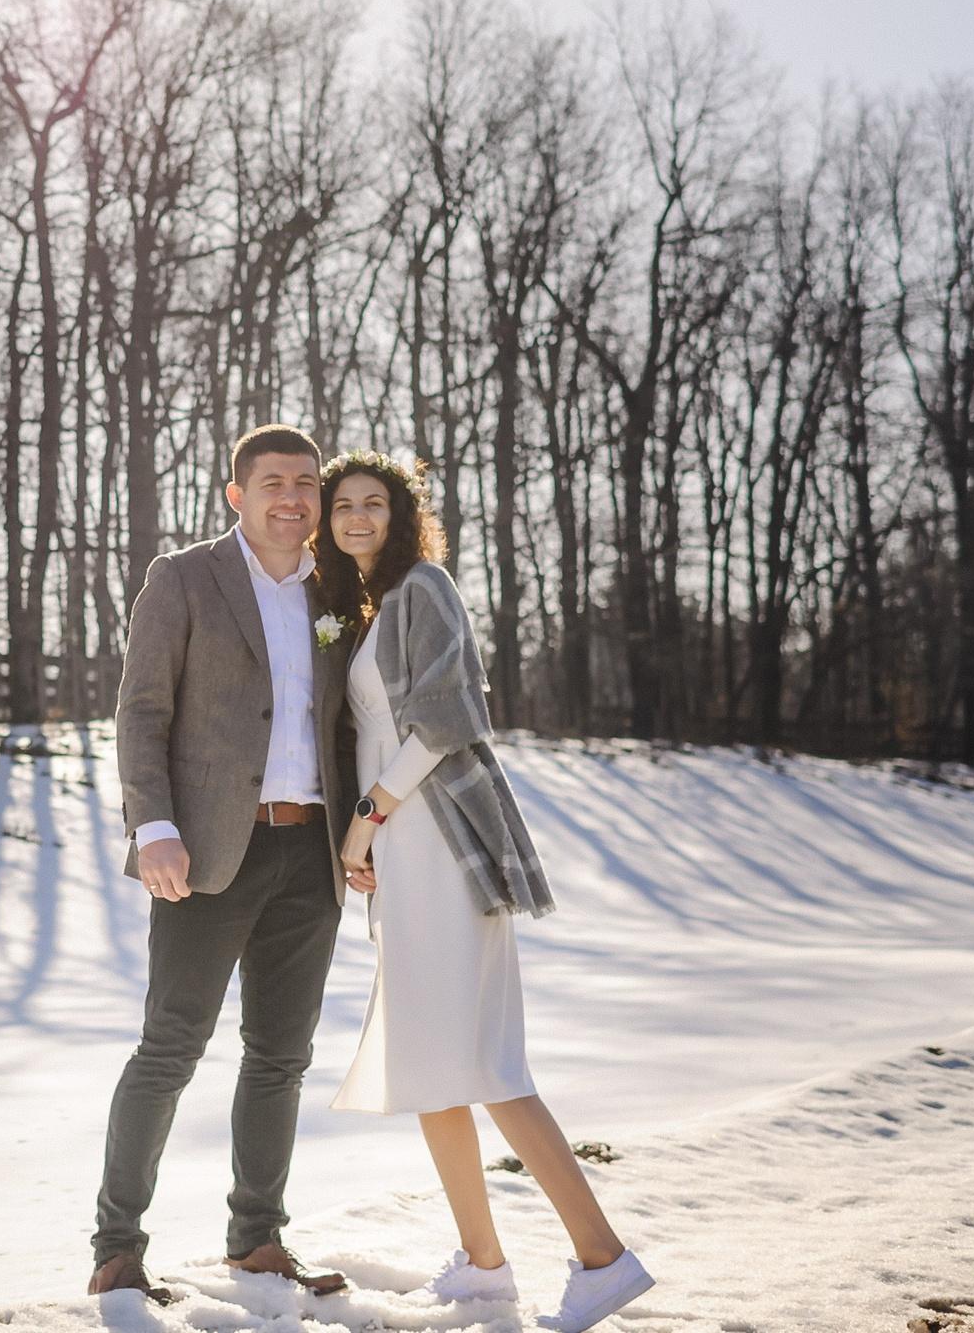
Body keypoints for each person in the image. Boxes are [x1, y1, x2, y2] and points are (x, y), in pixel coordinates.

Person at [318, 450, 655, 1333]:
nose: (357, 517)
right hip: (402, 854)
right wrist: (370, 837)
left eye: (373, 504)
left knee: (486, 1062)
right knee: (435, 1067)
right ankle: (483, 1265)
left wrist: (367, 816)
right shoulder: (367, 607)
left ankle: (602, 1258)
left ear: (401, 515)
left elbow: (447, 718)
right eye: (342, 505)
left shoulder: (423, 588)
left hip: (435, 843)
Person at [88, 424, 358, 1303]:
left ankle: (257, 1241)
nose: (293, 496)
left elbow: (357, 723)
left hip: (310, 852)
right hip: (205, 851)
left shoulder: (339, 588)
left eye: (307, 483)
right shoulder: (184, 577)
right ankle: (117, 1250)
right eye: (273, 481)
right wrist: (153, 823)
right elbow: (141, 711)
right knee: (170, 1049)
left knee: (281, 1057)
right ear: (236, 494)